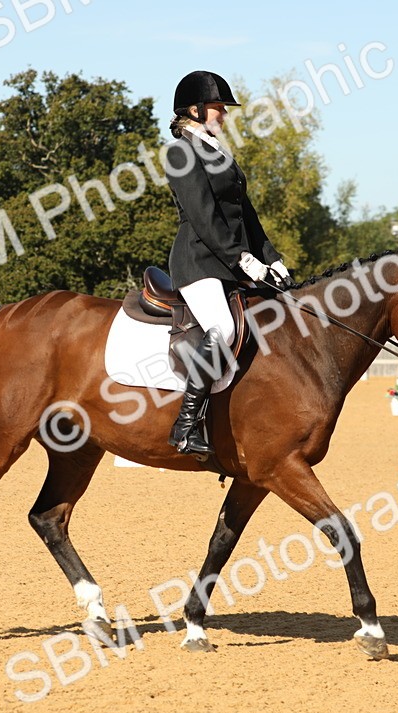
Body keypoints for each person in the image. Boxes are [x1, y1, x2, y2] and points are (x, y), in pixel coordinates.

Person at [163, 70, 290, 456]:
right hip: (198, 261)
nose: (224, 114)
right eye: (219, 107)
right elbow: (204, 216)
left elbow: (246, 215)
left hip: (231, 262)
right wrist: (242, 258)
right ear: (196, 110)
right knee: (221, 326)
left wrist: (272, 259)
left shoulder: (217, 152)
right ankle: (186, 425)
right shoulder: (180, 152)